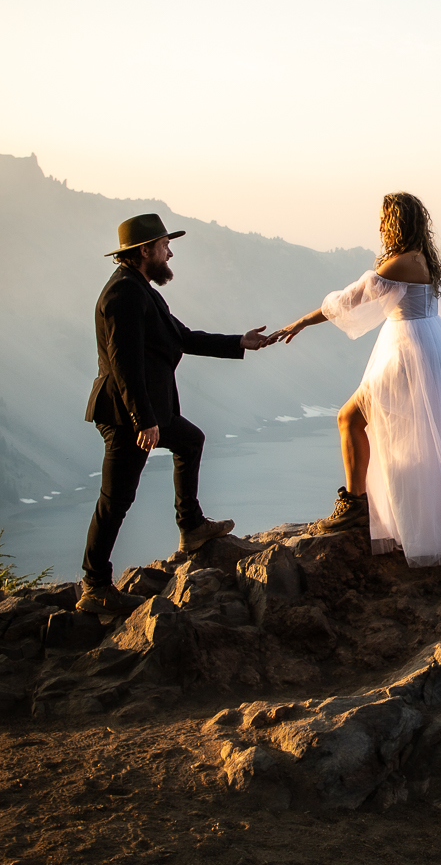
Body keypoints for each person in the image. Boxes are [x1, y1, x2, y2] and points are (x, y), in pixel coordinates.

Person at [276, 193, 441, 566]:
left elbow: (349, 300)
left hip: (407, 353)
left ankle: (355, 504)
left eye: (383, 220)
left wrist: (300, 322)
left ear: (394, 223)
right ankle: (399, 512)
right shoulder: (421, 258)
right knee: (420, 437)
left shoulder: (399, 263)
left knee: (349, 418)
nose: (379, 227)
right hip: (428, 345)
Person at [80, 213, 277, 615]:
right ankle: (94, 587)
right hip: (126, 414)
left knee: (191, 440)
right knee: (115, 499)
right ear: (144, 251)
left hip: (145, 410)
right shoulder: (123, 295)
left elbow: (181, 338)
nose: (170, 253)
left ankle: (191, 528)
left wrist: (241, 341)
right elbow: (124, 364)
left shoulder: (140, 289)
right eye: (165, 245)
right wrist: (142, 420)